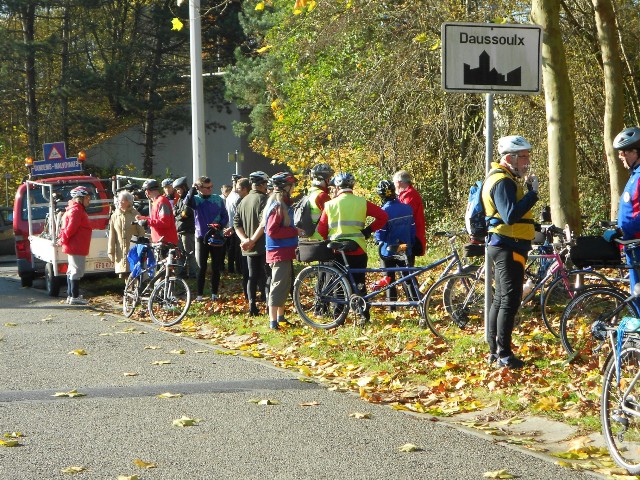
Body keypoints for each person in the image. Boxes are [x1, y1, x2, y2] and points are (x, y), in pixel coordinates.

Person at [481, 135, 539, 369]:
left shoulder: (505, 179)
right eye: (523, 157)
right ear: (508, 158)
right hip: (508, 246)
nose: (527, 161)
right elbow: (510, 215)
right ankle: (503, 355)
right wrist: (532, 195)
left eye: (527, 156)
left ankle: (496, 352)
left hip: (506, 244)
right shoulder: (502, 181)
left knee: (501, 299)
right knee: (509, 301)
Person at [316, 172, 388, 321]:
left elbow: (321, 229)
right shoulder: (361, 202)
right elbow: (383, 216)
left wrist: (328, 239)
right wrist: (368, 231)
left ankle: (338, 316)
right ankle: (363, 314)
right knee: (359, 282)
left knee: (339, 284)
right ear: (352, 186)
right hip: (358, 248)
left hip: (337, 250)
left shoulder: (330, 204)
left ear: (337, 186)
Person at [263, 172, 300, 329]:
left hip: (285, 251)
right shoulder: (278, 207)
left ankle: (281, 317)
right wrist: (295, 231)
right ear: (285, 188)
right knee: (278, 286)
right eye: (291, 187)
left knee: (285, 285)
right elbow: (272, 231)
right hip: (279, 252)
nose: (293, 190)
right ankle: (273, 322)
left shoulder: (283, 204)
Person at [373, 180, 416, 305]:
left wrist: (377, 240)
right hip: (403, 246)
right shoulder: (407, 208)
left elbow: (380, 234)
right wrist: (411, 243)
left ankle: (392, 307)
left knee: (388, 279)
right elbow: (412, 229)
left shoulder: (384, 211)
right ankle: (414, 303)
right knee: (407, 277)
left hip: (388, 249)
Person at [186, 176, 229, 301]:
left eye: (211, 187)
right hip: (201, 237)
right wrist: (193, 189)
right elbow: (187, 202)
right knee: (202, 267)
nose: (210, 189)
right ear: (200, 188)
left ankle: (214, 293)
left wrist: (220, 225)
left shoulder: (218, 199)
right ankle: (199, 295)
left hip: (216, 235)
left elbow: (225, 216)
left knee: (216, 267)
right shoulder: (196, 199)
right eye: (207, 187)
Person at [234, 171, 270, 316]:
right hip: (262, 244)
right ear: (262, 184)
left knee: (251, 276)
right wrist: (253, 240)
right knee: (267, 275)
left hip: (248, 247)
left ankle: (252, 306)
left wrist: (244, 240)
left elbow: (236, 223)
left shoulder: (243, 200)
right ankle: (268, 305)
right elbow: (264, 222)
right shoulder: (265, 199)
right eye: (266, 184)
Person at [611, 127, 640, 292]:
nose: (620, 157)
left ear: (635, 152)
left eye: (624, 153)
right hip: (632, 246)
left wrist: (622, 230)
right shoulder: (634, 176)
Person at [58, 186, 93, 305]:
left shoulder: (74, 209)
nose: (89, 200)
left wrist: (63, 240)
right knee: (77, 271)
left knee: (72, 270)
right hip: (76, 245)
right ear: (80, 198)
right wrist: (63, 239)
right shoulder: (77, 210)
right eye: (87, 198)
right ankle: (74, 296)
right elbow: (71, 228)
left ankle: (70, 295)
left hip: (76, 244)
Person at [108, 190, 146, 280]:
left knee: (134, 272)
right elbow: (112, 235)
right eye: (118, 200)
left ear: (128, 201)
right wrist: (111, 252)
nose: (119, 202)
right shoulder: (115, 216)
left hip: (133, 250)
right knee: (125, 274)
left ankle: (135, 291)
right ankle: (128, 291)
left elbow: (141, 232)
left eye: (122, 200)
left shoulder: (135, 214)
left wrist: (142, 248)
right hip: (121, 251)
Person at [393, 170, 426, 266]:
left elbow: (404, 215)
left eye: (394, 183)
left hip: (408, 237)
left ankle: (408, 281)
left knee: (405, 266)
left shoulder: (410, 195)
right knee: (400, 262)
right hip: (406, 236)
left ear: (399, 182)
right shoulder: (405, 194)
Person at [135, 179, 179, 246]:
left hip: (166, 243)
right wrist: (144, 218)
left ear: (147, 192)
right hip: (160, 242)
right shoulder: (157, 202)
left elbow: (165, 222)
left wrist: (147, 222)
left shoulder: (161, 201)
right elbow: (157, 219)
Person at [172, 176, 197, 279]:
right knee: (180, 254)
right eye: (176, 190)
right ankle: (181, 273)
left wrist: (177, 214)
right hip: (179, 230)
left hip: (187, 230)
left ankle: (193, 273)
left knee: (190, 253)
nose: (177, 191)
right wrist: (178, 213)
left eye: (179, 189)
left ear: (184, 187)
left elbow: (185, 214)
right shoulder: (180, 199)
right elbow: (174, 210)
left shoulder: (190, 198)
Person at [306, 163, 334, 239]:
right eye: (329, 178)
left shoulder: (310, 193)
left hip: (311, 239)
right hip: (321, 239)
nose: (330, 181)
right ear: (322, 180)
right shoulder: (322, 196)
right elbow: (333, 217)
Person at [225, 174, 243, 275]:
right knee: (237, 249)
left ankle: (231, 268)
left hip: (230, 225)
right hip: (236, 226)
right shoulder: (238, 197)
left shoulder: (230, 196)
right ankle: (239, 269)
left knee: (232, 248)